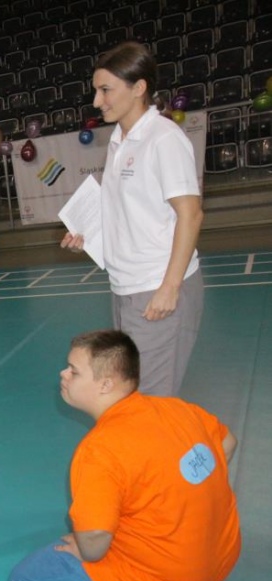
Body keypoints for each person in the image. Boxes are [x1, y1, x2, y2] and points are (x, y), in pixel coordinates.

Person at [9, 330, 241, 581]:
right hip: (220, 561)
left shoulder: (100, 450)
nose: (63, 374)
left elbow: (94, 542)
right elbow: (227, 444)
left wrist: (84, 550)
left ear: (105, 385)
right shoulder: (177, 408)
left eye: (74, 370)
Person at [60, 41, 204, 397]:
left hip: (157, 288)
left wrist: (169, 288)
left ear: (139, 88)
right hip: (124, 288)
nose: (97, 101)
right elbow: (128, 214)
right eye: (96, 90)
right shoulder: (119, 140)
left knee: (151, 401)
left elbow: (191, 214)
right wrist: (86, 237)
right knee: (133, 398)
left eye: (105, 90)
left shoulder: (163, 139)